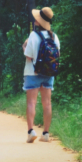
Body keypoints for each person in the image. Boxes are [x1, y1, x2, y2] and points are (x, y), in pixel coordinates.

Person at [21, 7, 60, 143]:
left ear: (38, 21)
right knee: (47, 103)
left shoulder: (33, 36)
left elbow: (28, 56)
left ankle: (31, 131)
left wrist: (24, 47)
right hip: (49, 73)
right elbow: (57, 56)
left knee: (32, 102)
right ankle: (46, 133)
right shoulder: (54, 37)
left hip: (32, 73)